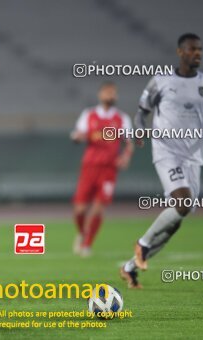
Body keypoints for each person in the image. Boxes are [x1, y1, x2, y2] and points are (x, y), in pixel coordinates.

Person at [120, 33, 203, 289]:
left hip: (194, 158)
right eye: (193, 50)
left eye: (200, 50)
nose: (198, 54)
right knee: (181, 203)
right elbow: (141, 114)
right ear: (180, 52)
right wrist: (139, 129)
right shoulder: (161, 81)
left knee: (174, 223)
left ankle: (129, 267)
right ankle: (143, 243)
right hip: (166, 151)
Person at [71, 82, 134, 257]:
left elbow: (129, 143)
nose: (110, 95)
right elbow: (78, 134)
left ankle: (87, 244)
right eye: (107, 92)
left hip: (108, 169)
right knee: (80, 210)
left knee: (98, 208)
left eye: (113, 93)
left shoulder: (122, 118)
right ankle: (82, 233)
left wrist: (126, 157)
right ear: (100, 95)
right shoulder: (89, 115)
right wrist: (77, 137)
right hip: (89, 166)